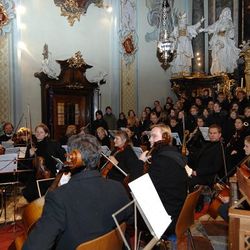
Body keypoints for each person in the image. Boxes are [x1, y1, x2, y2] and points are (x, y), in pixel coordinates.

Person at [23, 134, 132, 250]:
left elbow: (35, 246)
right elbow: (130, 221)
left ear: (72, 158)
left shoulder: (59, 198)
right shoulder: (118, 187)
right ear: (99, 160)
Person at [139, 124, 188, 236]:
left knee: (129, 211)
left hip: (168, 216)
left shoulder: (162, 160)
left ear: (165, 138)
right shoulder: (173, 154)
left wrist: (140, 162)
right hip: (178, 209)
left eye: (154, 136)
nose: (150, 139)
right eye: (150, 136)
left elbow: (144, 188)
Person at [22, 123, 66, 202]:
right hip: (35, 174)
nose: (38, 134)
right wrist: (30, 155)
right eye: (37, 132)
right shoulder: (31, 146)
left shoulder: (53, 144)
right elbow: (26, 165)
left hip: (50, 173)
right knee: (29, 192)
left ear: (46, 134)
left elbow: (63, 156)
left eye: (41, 132)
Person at [201, 7, 240, 75]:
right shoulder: (219, 22)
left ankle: (223, 71)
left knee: (224, 55)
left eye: (228, 12)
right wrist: (203, 29)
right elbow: (212, 27)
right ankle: (217, 72)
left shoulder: (230, 23)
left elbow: (231, 35)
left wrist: (229, 30)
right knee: (217, 56)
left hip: (225, 41)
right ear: (223, 13)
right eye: (225, 12)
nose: (226, 13)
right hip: (217, 40)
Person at [188, 124, 224, 190]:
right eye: (210, 133)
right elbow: (198, 156)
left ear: (219, 135)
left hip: (207, 177)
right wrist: (188, 154)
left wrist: (197, 172)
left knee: (186, 183)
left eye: (214, 133)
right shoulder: (207, 144)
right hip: (198, 173)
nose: (212, 135)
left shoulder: (220, 148)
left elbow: (215, 167)